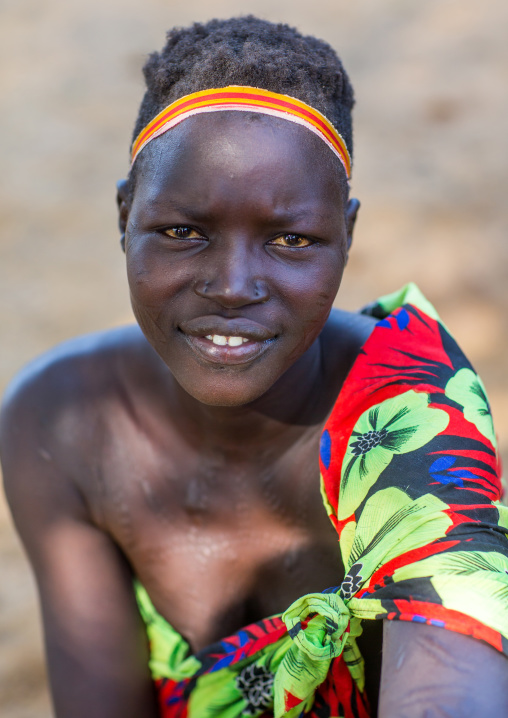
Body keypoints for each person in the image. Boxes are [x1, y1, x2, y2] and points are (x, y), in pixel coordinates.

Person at [1, 16, 508, 718]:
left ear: (347, 236)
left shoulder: (411, 419)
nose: (234, 285)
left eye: (292, 238)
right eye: (183, 232)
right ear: (124, 216)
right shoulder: (61, 421)